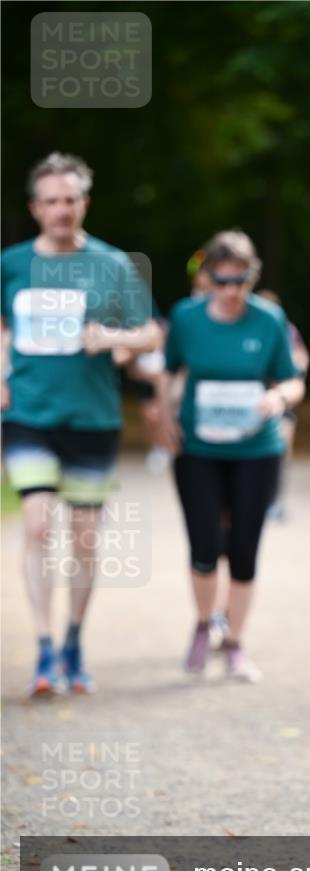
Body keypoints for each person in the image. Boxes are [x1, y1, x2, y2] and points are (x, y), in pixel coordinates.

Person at [1, 152, 160, 696]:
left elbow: (150, 334)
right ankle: (43, 647)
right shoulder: (12, 264)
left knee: (85, 539)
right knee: (39, 524)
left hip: (91, 415)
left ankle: (74, 639)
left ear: (84, 203)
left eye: (70, 200)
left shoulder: (113, 265)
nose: (61, 210)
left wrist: (112, 338)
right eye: (51, 201)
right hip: (28, 414)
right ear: (35, 207)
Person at [158, 230, 305, 682]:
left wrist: (278, 399)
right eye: (221, 281)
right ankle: (204, 624)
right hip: (198, 449)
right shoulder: (186, 318)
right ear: (208, 279)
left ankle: (235, 642)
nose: (230, 291)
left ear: (251, 278)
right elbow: (168, 371)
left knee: (243, 549)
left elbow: (293, 378)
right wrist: (164, 419)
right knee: (204, 546)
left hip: (255, 451)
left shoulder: (268, 319)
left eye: (239, 281)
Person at [256, 288, 309, 521]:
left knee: (283, 449)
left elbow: (301, 357)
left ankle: (276, 500)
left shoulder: (287, 330)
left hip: (281, 401)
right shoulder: (248, 328)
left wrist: (292, 372)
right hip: (255, 402)